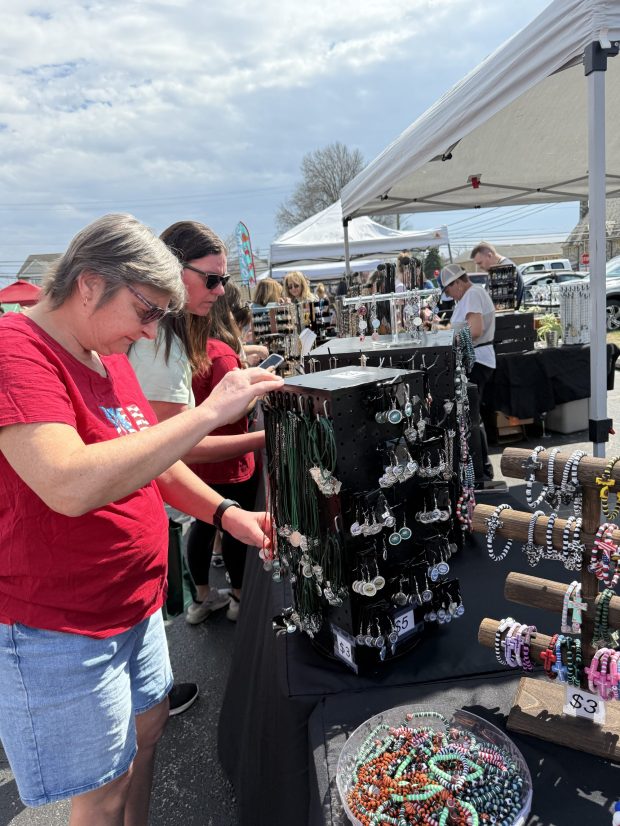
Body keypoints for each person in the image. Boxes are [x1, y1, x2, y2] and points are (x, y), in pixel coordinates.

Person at [0, 213, 282, 823]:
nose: (152, 333)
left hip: (134, 603)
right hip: (65, 624)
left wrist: (227, 513)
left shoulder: (108, 355)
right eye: (148, 312)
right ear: (90, 283)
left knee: (147, 736)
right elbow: (68, 483)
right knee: (100, 792)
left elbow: (153, 459)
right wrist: (210, 412)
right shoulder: (15, 350)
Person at [129, 222, 269, 625]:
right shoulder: (160, 342)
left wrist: (226, 514)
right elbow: (169, 449)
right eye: (212, 279)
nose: (221, 290)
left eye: (223, 279)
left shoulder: (170, 337)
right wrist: (259, 436)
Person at [186, 288, 259, 623]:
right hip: (230, 460)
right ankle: (239, 598)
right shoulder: (222, 354)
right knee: (234, 527)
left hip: (197, 459)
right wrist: (255, 393)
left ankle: (201, 597)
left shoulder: (191, 349)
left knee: (201, 526)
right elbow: (229, 412)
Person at [439, 262, 495, 483]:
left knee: (472, 417)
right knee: (472, 416)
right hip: (478, 359)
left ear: (457, 283)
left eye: (448, 289)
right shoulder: (469, 296)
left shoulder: (472, 295)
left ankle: (481, 470)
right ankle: (481, 468)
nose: (449, 294)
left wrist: (446, 335)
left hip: (477, 360)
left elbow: (475, 329)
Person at [470, 241, 524, 309]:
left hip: (503, 319)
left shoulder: (504, 269)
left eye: (480, 263)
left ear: (489, 255)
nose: (479, 267)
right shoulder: (499, 269)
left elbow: (500, 308)